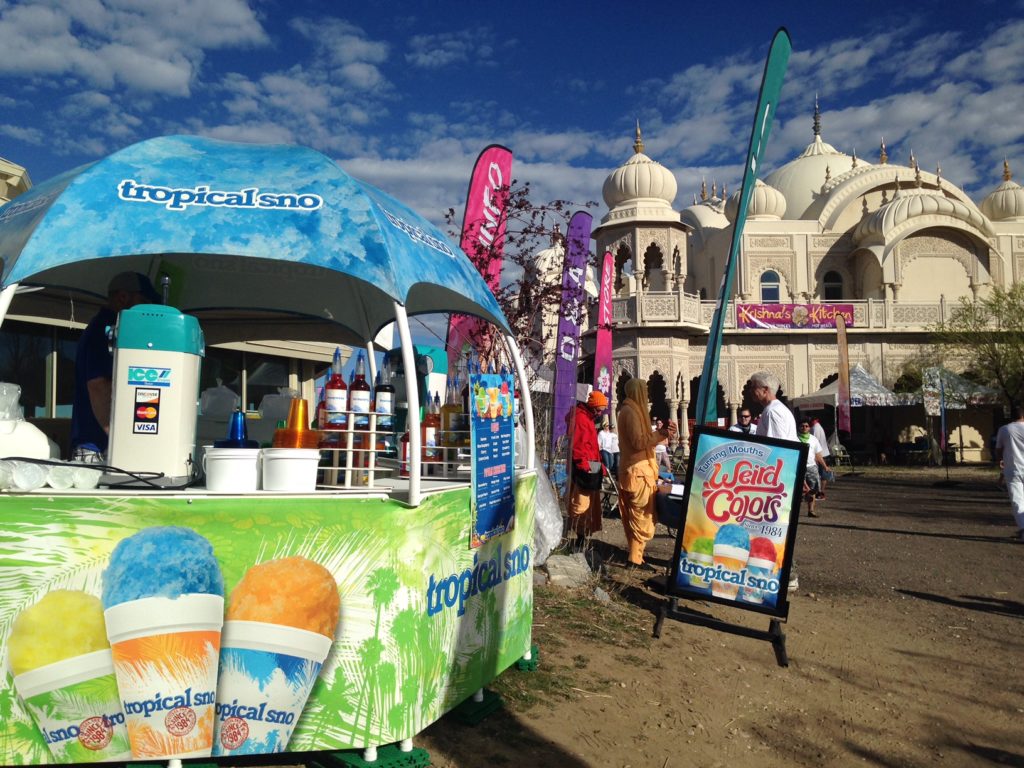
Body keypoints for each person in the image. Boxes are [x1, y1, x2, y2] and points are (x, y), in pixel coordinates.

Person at [71, 272, 161, 462]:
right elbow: (98, 385)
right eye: (144, 301)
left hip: (101, 446)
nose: (148, 309)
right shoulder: (105, 331)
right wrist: (119, 439)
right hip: (98, 448)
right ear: (123, 297)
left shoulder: (110, 330)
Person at [617, 378, 676, 570]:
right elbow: (639, 442)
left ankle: (637, 557)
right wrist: (661, 435)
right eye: (645, 391)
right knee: (641, 517)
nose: (648, 396)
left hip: (639, 471)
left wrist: (663, 433)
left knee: (640, 516)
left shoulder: (631, 411)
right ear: (638, 392)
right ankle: (634, 560)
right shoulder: (631, 413)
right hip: (638, 473)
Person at [751, 370, 801, 589]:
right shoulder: (776, 411)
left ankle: (786, 573)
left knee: (774, 524)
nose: (752, 392)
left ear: (765, 390)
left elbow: (777, 449)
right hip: (781, 478)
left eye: (754, 387)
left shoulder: (774, 413)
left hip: (778, 480)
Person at [567, 390, 608, 545]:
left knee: (590, 504)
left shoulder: (587, 418)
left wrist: (599, 467)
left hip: (591, 465)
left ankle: (582, 538)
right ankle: (578, 540)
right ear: (592, 407)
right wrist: (589, 468)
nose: (600, 412)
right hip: (585, 468)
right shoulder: (581, 419)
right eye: (599, 409)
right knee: (581, 503)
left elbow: (590, 447)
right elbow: (579, 448)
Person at [994, 406, 1024, 542]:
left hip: (1013, 470)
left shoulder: (1005, 429)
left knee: (1018, 501)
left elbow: (998, 449)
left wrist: (1000, 460)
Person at [798, 419, 830, 517]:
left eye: (806, 426)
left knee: (813, 490)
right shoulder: (794, 438)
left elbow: (818, 455)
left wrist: (825, 466)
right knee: (798, 490)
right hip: (798, 467)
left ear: (809, 428)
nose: (804, 428)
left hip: (811, 467)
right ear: (798, 427)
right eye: (802, 426)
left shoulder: (813, 439)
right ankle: (793, 512)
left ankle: (811, 511)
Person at [810, 417, 831, 497]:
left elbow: (814, 442)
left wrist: (815, 456)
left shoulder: (815, 428)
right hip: (824, 453)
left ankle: (820, 492)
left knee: (819, 474)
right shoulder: (818, 426)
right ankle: (821, 492)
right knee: (823, 475)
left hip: (820, 454)